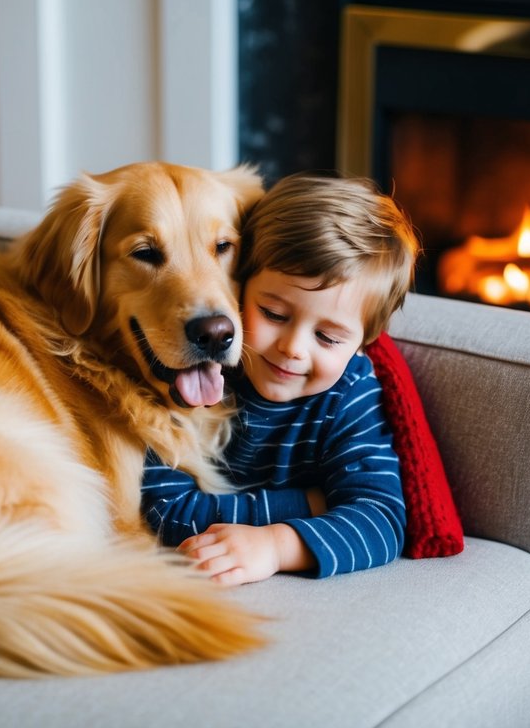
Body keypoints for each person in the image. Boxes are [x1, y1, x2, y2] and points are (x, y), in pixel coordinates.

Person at [141, 172, 420, 585]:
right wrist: (310, 502)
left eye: (327, 337)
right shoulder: (197, 367)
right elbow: (163, 508)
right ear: (238, 287)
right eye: (273, 314)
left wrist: (275, 545)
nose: (293, 348)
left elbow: (380, 521)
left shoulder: (349, 394)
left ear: (363, 343)